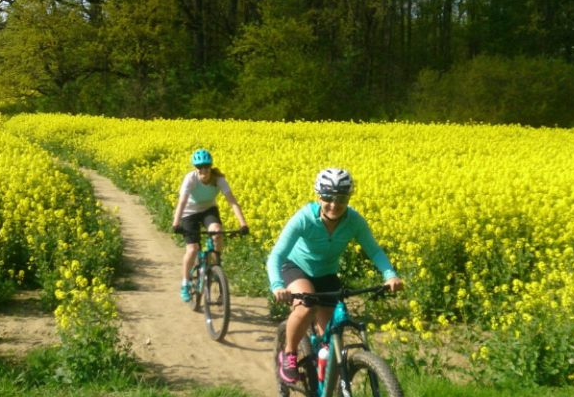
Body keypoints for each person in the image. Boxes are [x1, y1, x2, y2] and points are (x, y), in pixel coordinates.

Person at [266, 167, 403, 384]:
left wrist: (390, 275)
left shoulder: (354, 221)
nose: (334, 204)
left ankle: (324, 374)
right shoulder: (304, 219)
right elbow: (277, 255)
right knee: (305, 306)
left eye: (341, 198)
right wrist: (277, 285)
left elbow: (374, 250)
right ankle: (289, 353)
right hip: (295, 267)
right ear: (318, 196)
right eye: (328, 197)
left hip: (327, 273)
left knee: (332, 333)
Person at [172, 148, 249, 302]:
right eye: (199, 167)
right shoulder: (190, 179)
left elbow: (232, 201)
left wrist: (243, 224)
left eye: (206, 167)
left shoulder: (218, 179)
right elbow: (182, 202)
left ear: (210, 167)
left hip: (208, 210)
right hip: (189, 213)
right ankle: (186, 283)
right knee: (192, 249)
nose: (203, 171)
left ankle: (215, 266)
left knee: (217, 231)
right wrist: (176, 223)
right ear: (196, 168)